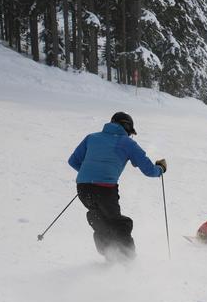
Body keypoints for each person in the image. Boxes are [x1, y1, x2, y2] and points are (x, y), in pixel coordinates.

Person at [68, 112, 166, 261]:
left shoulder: (91, 137)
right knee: (119, 224)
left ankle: (109, 254)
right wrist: (160, 169)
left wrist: (90, 175)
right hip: (105, 190)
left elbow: (73, 161)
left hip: (82, 188)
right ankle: (128, 261)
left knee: (99, 218)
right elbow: (148, 170)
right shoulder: (127, 143)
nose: (129, 136)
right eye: (129, 133)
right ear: (126, 128)